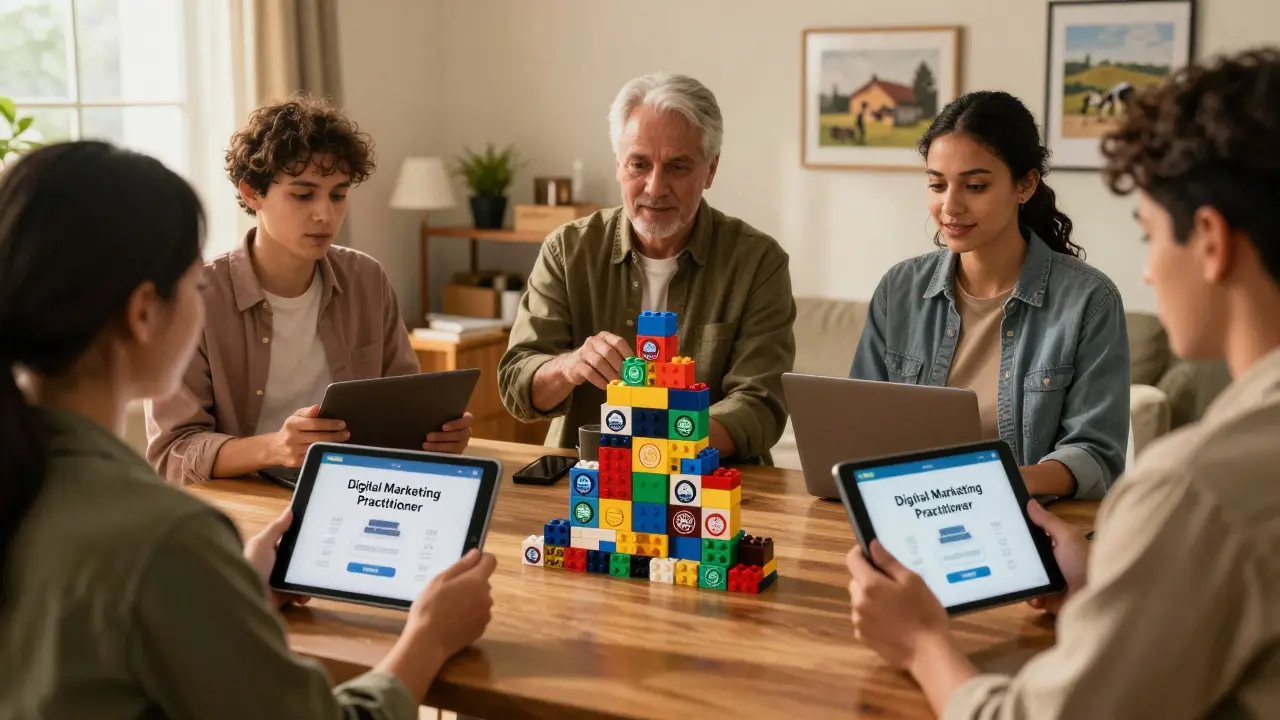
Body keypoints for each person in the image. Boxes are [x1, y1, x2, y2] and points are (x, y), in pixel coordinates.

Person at [845, 49, 1280, 718]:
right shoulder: (901, 288)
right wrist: (1099, 583)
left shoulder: (1193, 490)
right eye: (936, 183)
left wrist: (925, 644)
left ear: (1211, 242)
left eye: (1149, 234)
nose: (1149, 272)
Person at [0, 141, 496, 718]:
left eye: (337, 195)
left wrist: (237, 589)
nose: (325, 213)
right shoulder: (165, 538)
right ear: (142, 313)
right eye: (193, 284)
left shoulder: (40, 489)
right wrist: (429, 637)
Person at [146, 94, 473, 485]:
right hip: (247, 503)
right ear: (252, 193)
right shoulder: (196, 297)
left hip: (357, 491)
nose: (326, 214)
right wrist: (275, 448)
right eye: (303, 195)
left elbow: (404, 412)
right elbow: (173, 453)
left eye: (338, 194)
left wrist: (435, 436)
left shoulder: (367, 280)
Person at [498, 73, 796, 464]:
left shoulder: (758, 262)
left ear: (710, 170)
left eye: (677, 167)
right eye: (639, 164)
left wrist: (662, 443)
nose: (655, 187)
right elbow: (518, 386)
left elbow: (761, 404)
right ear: (619, 166)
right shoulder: (567, 250)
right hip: (588, 479)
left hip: (708, 489)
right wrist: (569, 365)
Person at [849, 91, 1129, 499]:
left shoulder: (1090, 300)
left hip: (1031, 519)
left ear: (1025, 184)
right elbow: (859, 422)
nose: (950, 206)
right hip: (909, 508)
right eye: (937, 184)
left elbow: (1096, 454)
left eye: (975, 186)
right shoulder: (899, 289)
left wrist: (997, 484)